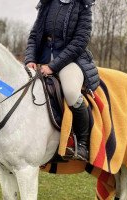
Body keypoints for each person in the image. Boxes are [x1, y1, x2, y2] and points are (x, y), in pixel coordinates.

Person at [25, 0, 99, 161]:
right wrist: (30, 59)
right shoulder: (47, 3)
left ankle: (83, 145)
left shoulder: (83, 6)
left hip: (71, 61)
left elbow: (80, 41)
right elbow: (34, 36)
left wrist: (53, 66)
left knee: (72, 92)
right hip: (43, 59)